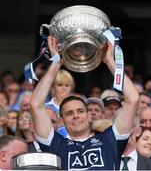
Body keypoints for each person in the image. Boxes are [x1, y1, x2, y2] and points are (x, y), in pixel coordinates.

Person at [30, 36, 139, 170]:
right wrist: (56, 64)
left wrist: (110, 61)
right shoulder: (56, 145)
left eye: (80, 111)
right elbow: (35, 104)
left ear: (89, 115)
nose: (76, 116)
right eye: (69, 113)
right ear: (62, 121)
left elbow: (133, 99)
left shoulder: (110, 140)